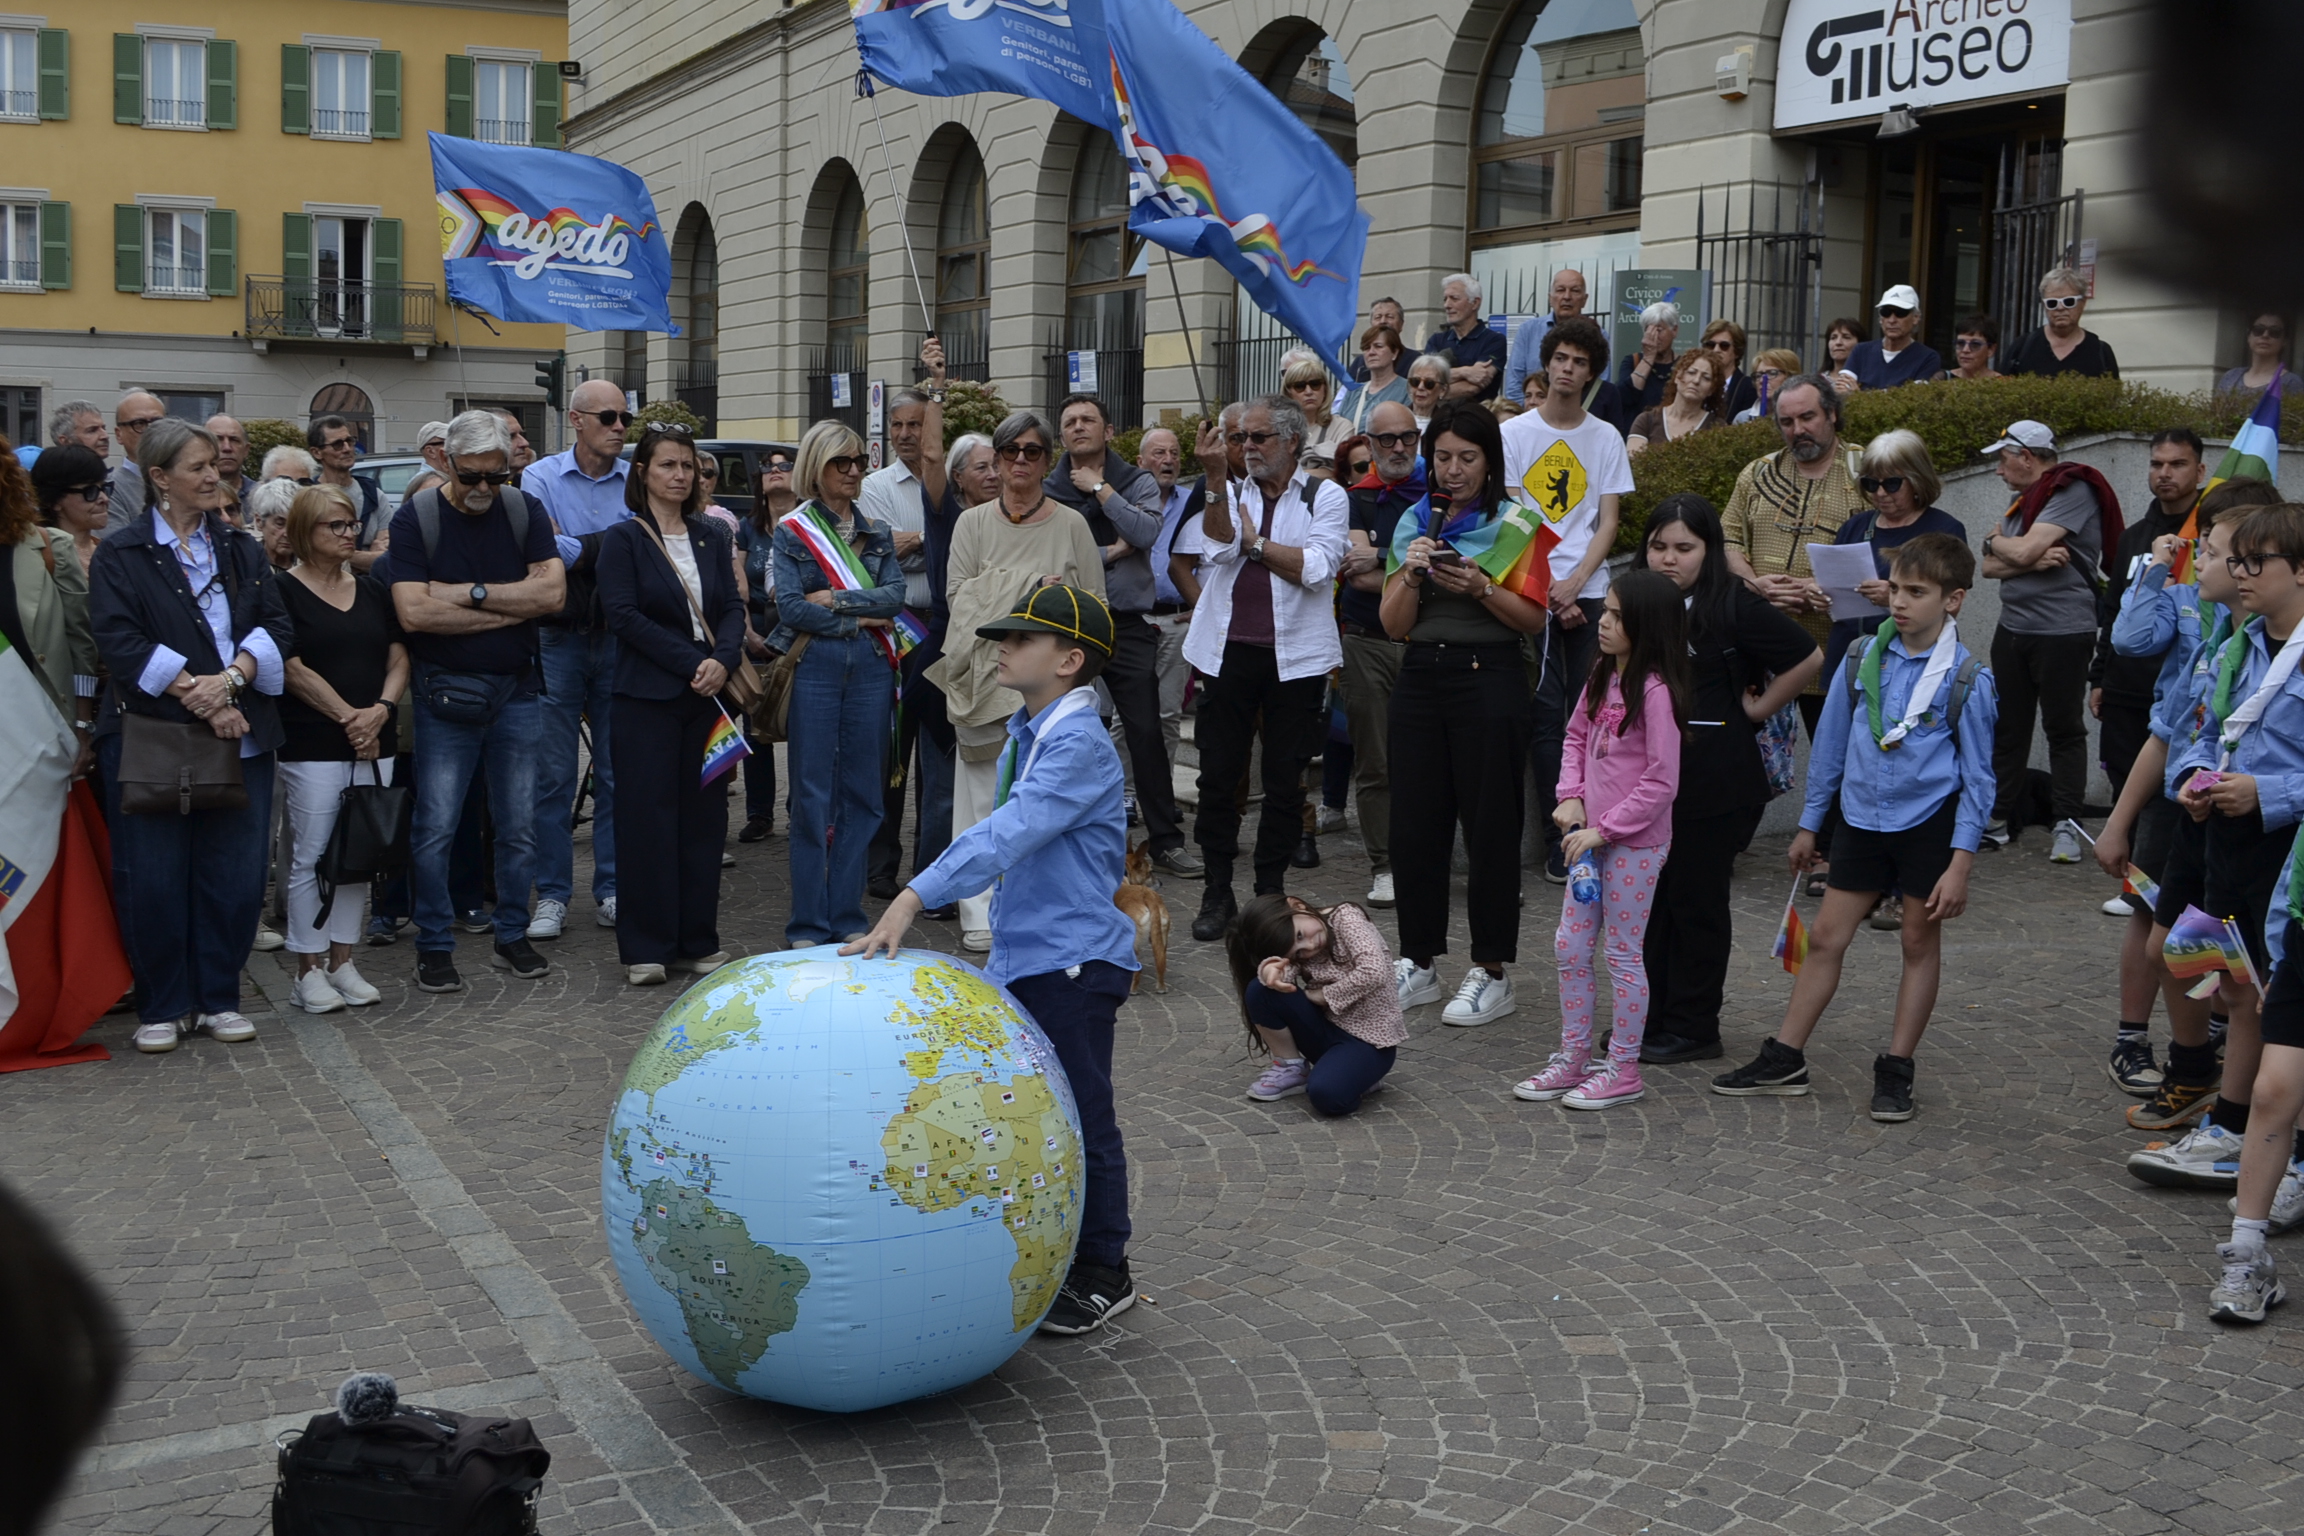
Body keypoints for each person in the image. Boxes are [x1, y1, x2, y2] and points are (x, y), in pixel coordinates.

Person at [843, 583, 1142, 1336]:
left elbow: (1005, 834)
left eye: (1022, 639)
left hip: (1072, 962)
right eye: (1005, 636)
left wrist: (912, 897)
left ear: (1070, 660)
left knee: (1082, 1114)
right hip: (1030, 957)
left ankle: (1107, 1268)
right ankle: (1050, 1249)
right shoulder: (1031, 727)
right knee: (1040, 1115)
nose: (1003, 647)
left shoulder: (1074, 743)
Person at [1713, 535, 1997, 1121]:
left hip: (1928, 825)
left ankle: (1896, 1067)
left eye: (1917, 592)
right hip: (1863, 821)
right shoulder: (1861, 657)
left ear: (1954, 600)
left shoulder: (1966, 678)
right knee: (1827, 936)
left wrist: (1962, 860)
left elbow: (1979, 777)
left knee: (1918, 941)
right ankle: (1786, 1054)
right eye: (1895, 588)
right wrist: (1810, 827)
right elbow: (1832, 750)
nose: (1900, 602)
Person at [87, 419, 291, 1052]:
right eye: (197, 467)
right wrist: (199, 695)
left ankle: (218, 997)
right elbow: (120, 642)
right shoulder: (122, 554)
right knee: (153, 876)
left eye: (214, 464)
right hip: (155, 738)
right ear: (158, 478)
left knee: (233, 876)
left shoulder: (241, 548)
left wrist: (230, 682)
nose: (213, 475)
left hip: (242, 736)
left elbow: (275, 626)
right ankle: (163, 1003)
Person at [2099, 480, 2278, 1132]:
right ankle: (2200, 1067)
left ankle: (2239, 1100)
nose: (2199, 560)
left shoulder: (2276, 649)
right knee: (2173, 948)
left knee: (2244, 973)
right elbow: (2171, 729)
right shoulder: (2215, 640)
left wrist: (2263, 792)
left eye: (2213, 549)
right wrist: (2121, 818)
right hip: (2193, 813)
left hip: (2264, 827)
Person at [1633, 496, 1822, 1064]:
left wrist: (1758, 710)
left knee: (1696, 901)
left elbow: (1807, 657)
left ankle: (1694, 1026)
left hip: (1715, 779)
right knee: (1653, 902)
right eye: (1658, 547)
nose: (1669, 559)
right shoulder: (1638, 602)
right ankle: (1653, 1014)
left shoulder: (1732, 604)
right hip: (1652, 780)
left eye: (1684, 548)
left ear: (1710, 551)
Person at [387, 410, 566, 993]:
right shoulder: (416, 518)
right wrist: (510, 606)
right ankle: (434, 942)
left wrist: (468, 596)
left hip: (518, 688)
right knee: (436, 826)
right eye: (473, 478)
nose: (486, 489)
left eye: (497, 476)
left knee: (518, 827)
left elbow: (554, 594)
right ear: (445, 462)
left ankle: (511, 934)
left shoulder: (523, 509)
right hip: (445, 696)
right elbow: (413, 612)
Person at [2155, 507, 2304, 1204]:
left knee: (2285, 1006)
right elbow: (2203, 732)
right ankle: (2231, 1125)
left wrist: (2268, 791)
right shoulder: (2237, 646)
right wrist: (2193, 779)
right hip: (2225, 841)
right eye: (2233, 561)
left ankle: (2292, 1155)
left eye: (2254, 563)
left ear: (2300, 571)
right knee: (2231, 987)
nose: (2238, 575)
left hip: (2288, 848)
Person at [1380, 401, 1547, 1021]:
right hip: (1421, 678)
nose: (1453, 471)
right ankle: (1418, 960)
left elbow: (1534, 619)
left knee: (1491, 826)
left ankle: (1492, 968)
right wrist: (1414, 576)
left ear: (1490, 461)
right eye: (1443, 457)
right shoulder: (1412, 522)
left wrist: (1483, 588)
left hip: (1490, 678)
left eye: (1467, 458)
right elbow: (1393, 627)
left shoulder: (1516, 522)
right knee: (1415, 828)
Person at [927, 411, 1104, 951]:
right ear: (997, 461)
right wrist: (1030, 591)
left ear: (1048, 461)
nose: (1021, 461)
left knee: (1042, 800)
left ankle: (1035, 906)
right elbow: (958, 600)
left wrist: (1048, 608)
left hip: (1052, 689)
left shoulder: (1072, 524)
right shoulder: (972, 525)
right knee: (981, 799)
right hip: (986, 675)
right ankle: (977, 911)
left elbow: (1095, 607)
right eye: (1010, 451)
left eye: (1032, 451)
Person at [1515, 569, 1689, 1108]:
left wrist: (1603, 829)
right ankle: (1573, 1058)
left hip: (1632, 845)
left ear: (1646, 624)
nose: (1603, 622)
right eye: (1605, 611)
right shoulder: (1600, 672)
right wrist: (1570, 796)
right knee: (1569, 946)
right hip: (1587, 840)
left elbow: (1662, 780)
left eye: (1615, 615)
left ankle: (1623, 1068)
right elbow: (1573, 736)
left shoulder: (1656, 692)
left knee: (1621, 953)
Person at [1181, 397, 1349, 941]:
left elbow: (1318, 568)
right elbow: (1215, 544)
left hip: (1296, 659)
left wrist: (1254, 543)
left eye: (1258, 438)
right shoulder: (1229, 491)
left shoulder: (1326, 494)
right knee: (1217, 777)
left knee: (1284, 780)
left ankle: (1269, 894)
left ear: (1292, 442)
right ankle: (1216, 889)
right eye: (1241, 438)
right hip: (1227, 654)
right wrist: (1213, 480)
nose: (1246, 447)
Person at [596, 425, 746, 985]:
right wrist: (693, 664)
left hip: (709, 701)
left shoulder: (712, 536)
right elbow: (625, 616)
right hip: (646, 700)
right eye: (667, 466)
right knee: (647, 822)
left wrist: (724, 660)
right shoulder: (624, 539)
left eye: (687, 466)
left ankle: (695, 940)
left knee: (704, 821)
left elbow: (732, 605)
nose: (680, 475)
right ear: (643, 473)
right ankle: (646, 948)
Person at [1501, 316, 1635, 881]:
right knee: (1544, 718)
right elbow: (1513, 513)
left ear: (1590, 374)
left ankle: (1594, 830)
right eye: (1560, 358)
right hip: (1530, 592)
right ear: (1548, 362)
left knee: (1594, 717)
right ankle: (1560, 840)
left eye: (1579, 362)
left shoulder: (1604, 436)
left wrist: (1578, 582)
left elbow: (1608, 521)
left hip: (1591, 593)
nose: (1567, 369)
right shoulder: (1513, 435)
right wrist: (1547, 589)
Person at [1041, 393, 1196, 877]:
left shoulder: (1136, 480)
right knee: (1064, 731)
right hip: (1068, 625)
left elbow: (1148, 535)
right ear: (1061, 434)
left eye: (1088, 419)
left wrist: (1102, 489)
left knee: (1146, 732)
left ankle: (1166, 839)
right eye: (1070, 422)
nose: (1079, 427)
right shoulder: (1049, 488)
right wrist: (1110, 552)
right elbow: (1053, 554)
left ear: (1108, 431)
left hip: (1127, 624)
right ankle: (1070, 835)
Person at [770, 420, 906, 948]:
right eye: (840, 463)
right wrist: (862, 619)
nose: (853, 472)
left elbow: (895, 596)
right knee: (810, 794)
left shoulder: (875, 529)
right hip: (818, 667)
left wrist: (840, 601)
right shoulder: (792, 531)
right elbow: (790, 608)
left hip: (873, 667)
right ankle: (806, 922)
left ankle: (846, 914)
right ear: (816, 467)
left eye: (858, 462)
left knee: (865, 795)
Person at [275, 485, 404, 1014]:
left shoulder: (372, 588)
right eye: (337, 526)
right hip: (313, 741)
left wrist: (381, 711)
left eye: (352, 524)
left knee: (359, 854)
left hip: (376, 739)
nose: (350, 533)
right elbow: (290, 666)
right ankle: (307, 968)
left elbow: (399, 657)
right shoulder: (281, 590)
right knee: (312, 854)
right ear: (307, 532)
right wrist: (349, 718)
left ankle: (343, 962)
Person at [1978, 418, 2122, 857]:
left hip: (2062, 631)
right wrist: (2027, 559)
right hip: (2014, 628)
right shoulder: (2023, 503)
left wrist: (1998, 542)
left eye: (2003, 461)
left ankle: (2066, 822)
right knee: (2008, 729)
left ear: (2026, 456)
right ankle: (1998, 819)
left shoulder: (2068, 491)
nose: (1999, 471)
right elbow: (1987, 567)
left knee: (2063, 730)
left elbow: (2010, 551)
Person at [524, 378, 633, 941]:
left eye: (624, 420)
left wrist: (582, 548)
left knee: (617, 772)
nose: (619, 428)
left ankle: (611, 888)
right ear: (577, 420)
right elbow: (545, 551)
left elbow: (643, 548)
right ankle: (553, 895)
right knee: (553, 776)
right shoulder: (538, 477)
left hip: (619, 636)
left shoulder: (634, 479)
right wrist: (609, 548)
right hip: (559, 636)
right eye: (609, 417)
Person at [1721, 374, 1868, 784]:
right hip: (1762, 647)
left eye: (1808, 417)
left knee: (1840, 761)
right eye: (1787, 422)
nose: (1797, 430)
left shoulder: (1866, 471)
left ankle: (1829, 843)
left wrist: (1828, 587)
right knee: (1748, 763)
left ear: (1833, 414)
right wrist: (1754, 587)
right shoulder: (1757, 473)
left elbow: (1889, 547)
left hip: (1837, 647)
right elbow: (1728, 534)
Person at [863, 345, 956, 900]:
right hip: (893, 628)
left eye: (914, 424)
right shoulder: (875, 486)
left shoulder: (942, 483)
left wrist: (916, 541)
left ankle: (933, 872)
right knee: (888, 754)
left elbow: (926, 547)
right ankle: (880, 867)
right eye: (896, 425)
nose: (903, 433)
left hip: (939, 628)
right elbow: (877, 554)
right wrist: (927, 539)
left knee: (938, 760)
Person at [1337, 401, 1424, 908]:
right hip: (1366, 643)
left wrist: (1382, 554)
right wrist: (1406, 562)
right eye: (1386, 440)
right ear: (1368, 445)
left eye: (1406, 438)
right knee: (1375, 762)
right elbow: (1357, 574)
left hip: (1422, 643)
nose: (1398, 449)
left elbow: (1440, 566)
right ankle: (1385, 864)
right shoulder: (1355, 498)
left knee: (1435, 760)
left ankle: (1426, 856)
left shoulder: (1436, 495)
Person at [1227, 894, 1406, 1114]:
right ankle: (1292, 1067)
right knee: (1260, 989)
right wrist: (1270, 970)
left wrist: (1321, 995)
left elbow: (1373, 972)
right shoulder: (1300, 945)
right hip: (1325, 1029)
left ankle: (1360, 1079)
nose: (1310, 946)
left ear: (1298, 906)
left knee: (1327, 1096)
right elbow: (1287, 970)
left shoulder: (1346, 918)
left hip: (1369, 1041)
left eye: (1301, 935)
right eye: (1299, 951)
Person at [1823, 430, 1968, 681]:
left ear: (1917, 480)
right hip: (1851, 656)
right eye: (1871, 484)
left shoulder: (1945, 530)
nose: (1880, 493)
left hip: (1912, 661)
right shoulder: (1855, 526)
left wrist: (1891, 598)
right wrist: (1822, 596)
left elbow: (1950, 607)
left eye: (1891, 484)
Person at [736, 447, 799, 843]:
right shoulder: (748, 528)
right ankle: (759, 813)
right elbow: (737, 587)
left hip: (797, 637)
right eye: (767, 467)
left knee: (800, 723)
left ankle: (800, 810)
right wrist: (748, 634)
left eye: (784, 465)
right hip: (756, 634)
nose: (774, 471)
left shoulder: (809, 523)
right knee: (756, 727)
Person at [1137, 427, 1200, 774]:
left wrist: (1198, 604)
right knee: (1124, 714)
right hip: (1134, 620)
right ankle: (1127, 793)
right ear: (1141, 460)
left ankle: (1160, 792)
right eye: (1159, 453)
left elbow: (1210, 560)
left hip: (1177, 620)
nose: (1169, 460)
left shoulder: (1193, 502)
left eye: (1174, 453)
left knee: (1167, 713)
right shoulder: (1125, 502)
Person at [2002, 266, 2120, 379]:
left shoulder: (2101, 352)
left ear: (2083, 303)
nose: (2060, 307)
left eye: (2069, 301)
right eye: (2052, 303)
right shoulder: (2021, 348)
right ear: (2044, 306)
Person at [1502, 269, 1592, 409]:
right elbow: (1513, 385)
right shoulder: (1528, 331)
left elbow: (1598, 388)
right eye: (1560, 290)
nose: (1567, 297)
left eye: (1575, 291)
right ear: (1550, 298)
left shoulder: (1597, 336)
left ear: (1585, 299)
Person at [307, 415, 384, 568]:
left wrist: (338, 553)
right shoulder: (307, 498)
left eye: (349, 441)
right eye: (337, 445)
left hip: (369, 586)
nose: (347, 449)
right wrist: (365, 556)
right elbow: (311, 554)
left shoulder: (374, 495)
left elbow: (387, 557)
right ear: (317, 452)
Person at [30, 444, 111, 576]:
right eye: (90, 491)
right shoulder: (37, 557)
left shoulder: (110, 552)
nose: (104, 498)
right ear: (55, 500)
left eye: (104, 487)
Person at [1424, 274, 1506, 403]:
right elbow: (1424, 378)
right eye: (1445, 299)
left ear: (1475, 303)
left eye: (1454, 299)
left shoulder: (1494, 340)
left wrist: (1433, 390)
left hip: (1476, 418)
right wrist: (1465, 372)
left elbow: (1473, 386)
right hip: (1439, 420)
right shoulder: (1436, 340)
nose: (1447, 305)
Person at [1625, 349, 1724, 453]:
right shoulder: (1646, 421)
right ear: (1677, 376)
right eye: (1691, 372)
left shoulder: (1718, 427)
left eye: (1706, 378)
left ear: (1711, 389)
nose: (1696, 380)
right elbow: (1635, 464)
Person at [1846, 285, 1943, 389]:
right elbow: (1842, 389)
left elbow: (1913, 399)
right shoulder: (1861, 351)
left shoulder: (1927, 358)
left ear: (1916, 318)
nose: (1892, 320)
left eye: (1900, 313)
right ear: (1880, 319)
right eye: (1886, 313)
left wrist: (1858, 395)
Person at [2216, 313, 2302, 408]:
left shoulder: (2291, 382)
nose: (2265, 335)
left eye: (2274, 332)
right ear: (2249, 337)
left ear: (2284, 341)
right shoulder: (2231, 376)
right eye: (2258, 330)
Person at [1282, 356, 1353, 468]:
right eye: (1300, 386)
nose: (1309, 391)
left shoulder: (1342, 427)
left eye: (1315, 384)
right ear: (1288, 393)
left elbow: (1342, 472)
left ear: (1324, 389)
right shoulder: (1280, 429)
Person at [106, 391, 164, 526]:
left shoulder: (184, 479)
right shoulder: (110, 489)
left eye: (157, 422)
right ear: (119, 434)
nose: (150, 430)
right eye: (139, 423)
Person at [1339, 324, 1411, 432]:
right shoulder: (1353, 391)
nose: (1371, 352)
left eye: (1378, 346)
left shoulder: (1407, 390)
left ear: (1394, 353)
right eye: (1366, 348)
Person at [1616, 301, 1680, 419]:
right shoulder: (1632, 361)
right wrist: (1648, 358)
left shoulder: (1683, 365)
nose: (1654, 336)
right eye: (1649, 330)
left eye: (1659, 330)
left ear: (1674, 330)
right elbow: (1623, 398)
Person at [1698, 318, 1758, 420]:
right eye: (1711, 345)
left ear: (1737, 351)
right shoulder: (1697, 381)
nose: (1716, 350)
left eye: (1724, 346)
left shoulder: (1748, 387)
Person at [1345, 296, 1414, 383]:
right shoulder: (1359, 363)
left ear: (1401, 324)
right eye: (1378, 317)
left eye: (1389, 317)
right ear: (1371, 323)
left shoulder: (1414, 360)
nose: (1383, 321)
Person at [1731, 349, 1802, 425]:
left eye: (1772, 373)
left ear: (1790, 377)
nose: (1762, 380)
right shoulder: (1743, 419)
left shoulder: (1801, 417)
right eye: (1758, 375)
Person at [246, 478, 299, 571]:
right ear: (259, 521)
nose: (287, 534)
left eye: (294, 525)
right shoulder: (247, 564)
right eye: (280, 524)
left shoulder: (312, 565)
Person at [207, 414, 257, 505]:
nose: (227, 447)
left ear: (246, 450)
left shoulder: (261, 496)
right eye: (218, 439)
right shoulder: (189, 496)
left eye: (234, 440)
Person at [1947, 314, 2003, 381]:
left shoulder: (2003, 384)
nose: (1965, 350)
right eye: (1961, 343)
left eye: (1975, 345)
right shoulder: (1942, 379)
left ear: (1991, 350)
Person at [1405, 354, 1451, 433]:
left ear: (1442, 390)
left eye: (1429, 383)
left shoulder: (1447, 423)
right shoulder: (1397, 417)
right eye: (1415, 381)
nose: (1420, 387)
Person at [1822, 316, 1867, 395]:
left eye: (1846, 337)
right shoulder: (1817, 382)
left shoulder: (1869, 381)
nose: (1838, 342)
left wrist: (1857, 396)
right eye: (1833, 337)